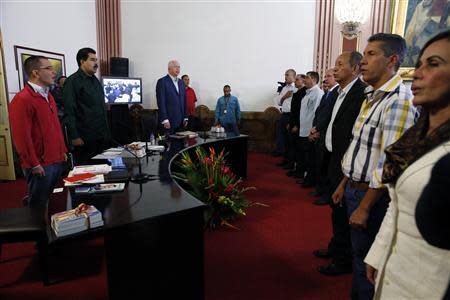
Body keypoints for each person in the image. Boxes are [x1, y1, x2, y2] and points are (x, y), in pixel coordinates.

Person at [365, 30, 450, 300]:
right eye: (420, 64)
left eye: (433, 64)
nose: (417, 73)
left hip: (432, 283)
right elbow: (397, 201)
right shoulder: (415, 139)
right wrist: (379, 253)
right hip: (395, 269)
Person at [332, 33, 416, 299]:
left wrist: (365, 206)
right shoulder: (372, 96)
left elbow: (391, 162)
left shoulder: (398, 101)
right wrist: (344, 182)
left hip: (373, 198)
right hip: (355, 189)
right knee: (359, 259)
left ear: (392, 60)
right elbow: (361, 146)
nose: (363, 62)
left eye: (371, 54)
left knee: (369, 265)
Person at [315, 51, 366, 276]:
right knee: (336, 211)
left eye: (340, 64)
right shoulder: (339, 92)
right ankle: (336, 248)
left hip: (346, 164)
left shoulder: (361, 93)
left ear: (354, 69)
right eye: (334, 65)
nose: (335, 69)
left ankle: (343, 260)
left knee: (342, 212)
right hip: (333, 159)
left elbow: (356, 135)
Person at [9, 56, 67, 208]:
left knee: (55, 200)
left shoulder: (48, 95)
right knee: (38, 204)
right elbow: (21, 136)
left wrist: (62, 150)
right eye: (48, 68)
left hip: (56, 158)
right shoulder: (22, 99)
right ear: (36, 73)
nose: (53, 72)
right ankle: (37, 231)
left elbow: (55, 126)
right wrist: (33, 163)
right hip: (40, 163)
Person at [63, 47, 110, 165]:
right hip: (85, 138)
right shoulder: (72, 82)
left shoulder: (95, 81)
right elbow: (69, 110)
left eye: (96, 60)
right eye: (92, 60)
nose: (96, 63)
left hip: (101, 135)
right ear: (82, 61)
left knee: (102, 170)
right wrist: (74, 136)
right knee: (88, 173)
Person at [156, 60, 188, 134]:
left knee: (181, 144)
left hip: (181, 122)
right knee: (170, 143)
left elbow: (184, 101)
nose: (178, 69)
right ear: (169, 69)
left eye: (179, 67)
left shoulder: (181, 82)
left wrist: (185, 117)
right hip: (169, 121)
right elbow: (161, 102)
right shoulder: (162, 82)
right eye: (175, 67)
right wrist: (165, 119)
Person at [273, 69, 297, 157]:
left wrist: (283, 98)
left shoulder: (296, 88)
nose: (285, 77)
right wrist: (285, 96)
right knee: (280, 135)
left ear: (293, 77)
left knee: (289, 138)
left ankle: (289, 157)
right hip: (283, 114)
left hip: (291, 116)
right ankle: (282, 153)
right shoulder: (284, 88)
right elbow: (279, 102)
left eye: (287, 75)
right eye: (285, 75)